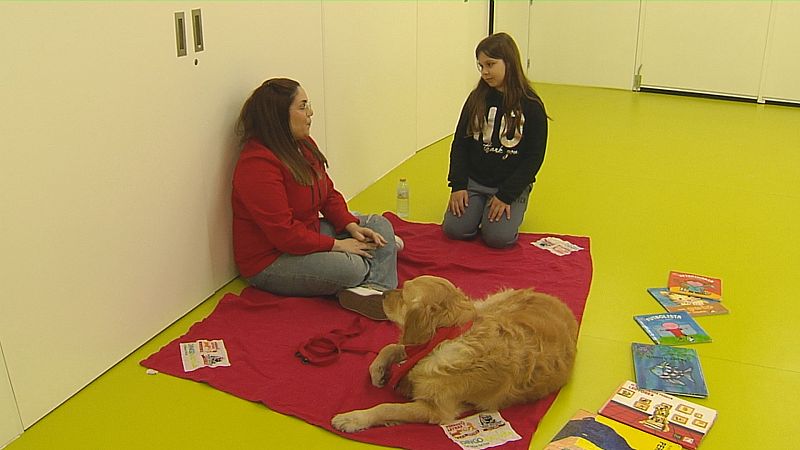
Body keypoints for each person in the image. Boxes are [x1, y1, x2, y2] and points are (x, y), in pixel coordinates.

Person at [232, 78, 398, 320]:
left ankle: (373, 290)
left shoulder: (304, 145)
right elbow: (284, 235)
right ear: (278, 116)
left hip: (308, 234)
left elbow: (327, 194)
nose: (311, 113)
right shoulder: (257, 165)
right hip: (271, 259)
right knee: (352, 267)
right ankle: (374, 276)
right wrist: (338, 245)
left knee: (379, 225)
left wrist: (350, 225)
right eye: (302, 107)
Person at [443, 32, 549, 248]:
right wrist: (458, 185)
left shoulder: (531, 105)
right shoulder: (476, 99)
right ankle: (479, 208)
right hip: (475, 181)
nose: (485, 72)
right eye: (481, 66)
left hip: (508, 185)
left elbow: (534, 157)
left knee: (498, 238)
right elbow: (460, 144)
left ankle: (503, 209)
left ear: (509, 63)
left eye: (490, 64)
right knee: (454, 229)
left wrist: (506, 195)